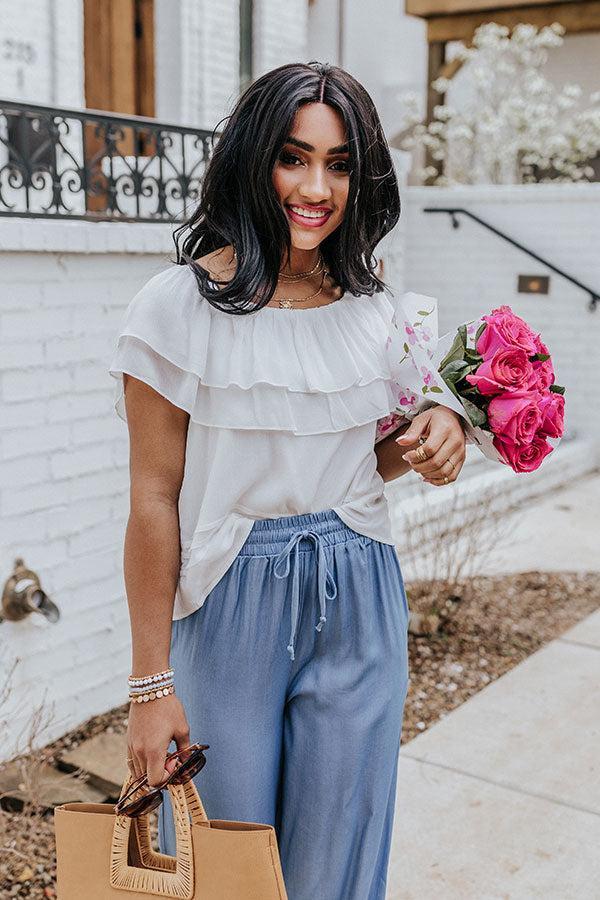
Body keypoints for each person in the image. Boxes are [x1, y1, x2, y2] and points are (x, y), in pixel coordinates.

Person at [108, 60, 466, 900]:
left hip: (361, 587)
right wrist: (149, 685)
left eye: (339, 164)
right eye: (293, 157)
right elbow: (153, 500)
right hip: (232, 599)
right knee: (226, 865)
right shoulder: (176, 308)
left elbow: (362, 455)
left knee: (338, 859)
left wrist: (441, 426)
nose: (316, 187)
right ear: (253, 160)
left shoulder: (374, 309)